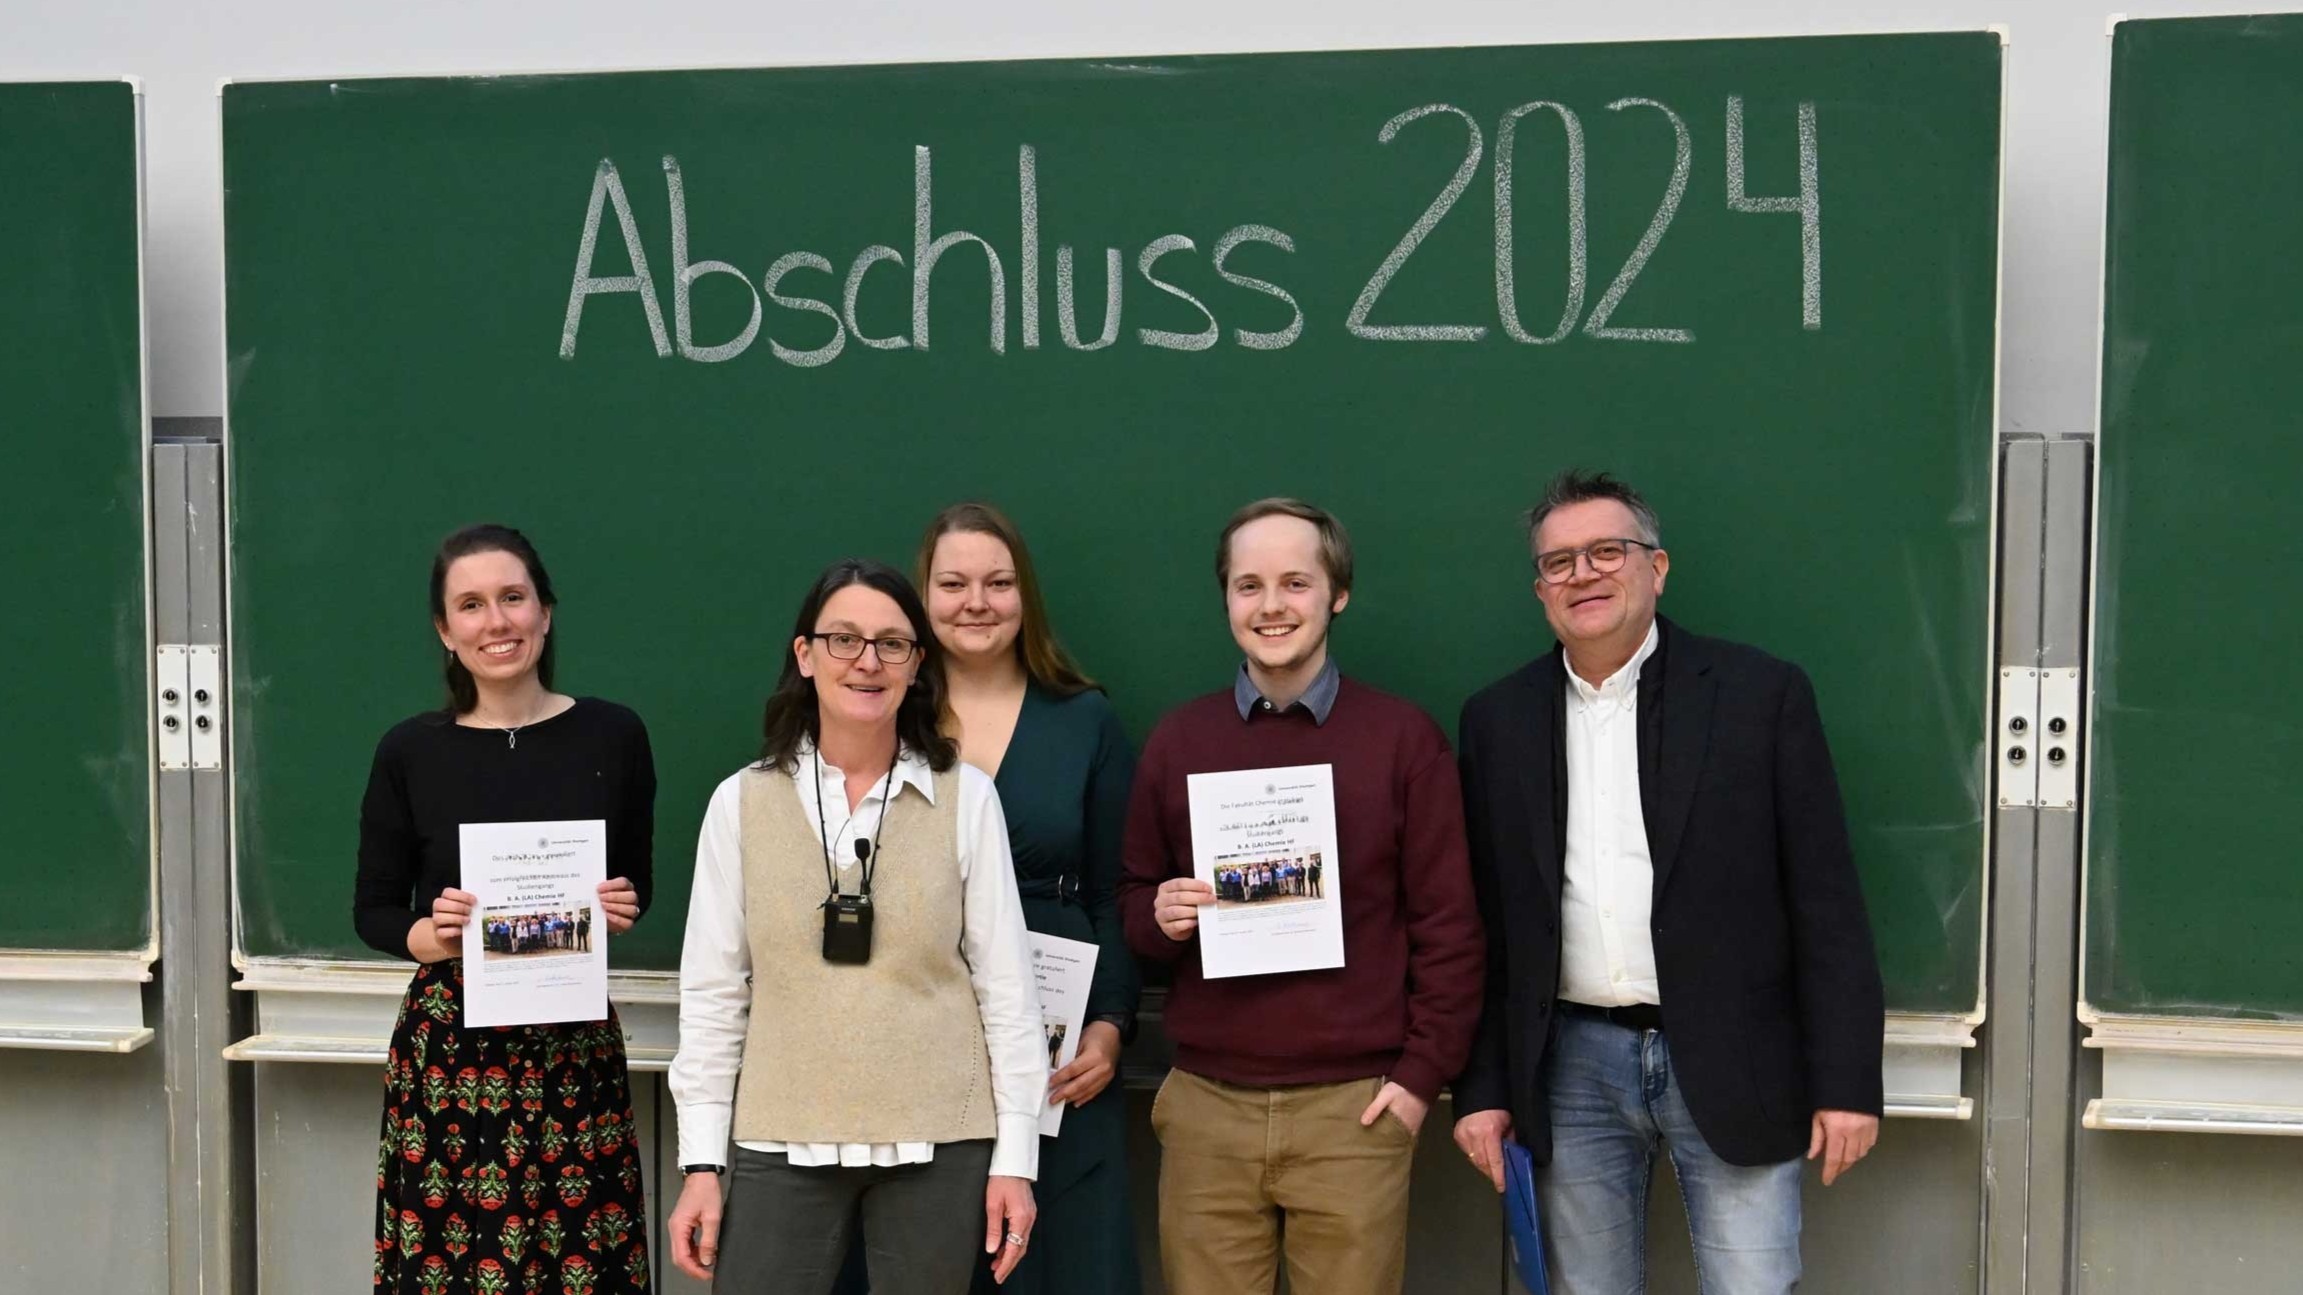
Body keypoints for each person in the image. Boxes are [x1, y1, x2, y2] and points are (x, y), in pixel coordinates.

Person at [1450, 470, 1886, 1294]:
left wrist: (1847, 1082)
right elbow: (1488, 926)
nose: (1582, 574)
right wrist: (1480, 1089)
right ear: (1539, 589)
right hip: (1566, 1066)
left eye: (1606, 552)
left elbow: (1825, 904)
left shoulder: (1760, 696)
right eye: (1558, 562)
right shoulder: (1496, 720)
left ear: (1657, 567)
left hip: (1733, 1055)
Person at [1117, 498, 1485, 1295]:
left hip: (1353, 1109)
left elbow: (1449, 927)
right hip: (1208, 1107)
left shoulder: (1402, 739)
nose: (1271, 605)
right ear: (1225, 599)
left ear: (1336, 594)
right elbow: (1134, 907)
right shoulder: (1178, 740)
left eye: (1295, 581)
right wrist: (1159, 914)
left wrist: (1420, 1080)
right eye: (1248, 585)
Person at [666, 558, 1045, 1294]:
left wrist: (1016, 1159)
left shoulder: (966, 798)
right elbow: (713, 995)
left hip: (940, 1140)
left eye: (891, 643)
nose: (867, 661)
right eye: (843, 639)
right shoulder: (738, 803)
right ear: (804, 655)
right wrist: (702, 1165)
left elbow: (1007, 989)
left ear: (916, 666)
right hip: (780, 1135)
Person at [354, 523, 655, 1295]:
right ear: (445, 631)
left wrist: (620, 902)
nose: (497, 621)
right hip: (452, 1061)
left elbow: (635, 884)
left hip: (572, 1047)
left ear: (545, 612)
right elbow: (375, 909)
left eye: (513, 598)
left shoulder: (613, 734)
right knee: (451, 1269)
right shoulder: (409, 750)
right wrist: (429, 933)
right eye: (472, 604)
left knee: (580, 1263)